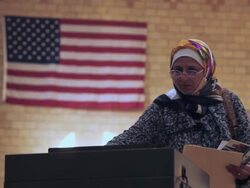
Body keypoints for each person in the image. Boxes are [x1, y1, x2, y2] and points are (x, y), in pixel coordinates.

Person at [107, 39, 250, 187]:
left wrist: (246, 170)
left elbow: (247, 142)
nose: (183, 77)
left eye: (192, 70)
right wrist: (98, 154)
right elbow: (132, 137)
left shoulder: (229, 101)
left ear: (207, 70)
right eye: (177, 70)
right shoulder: (163, 106)